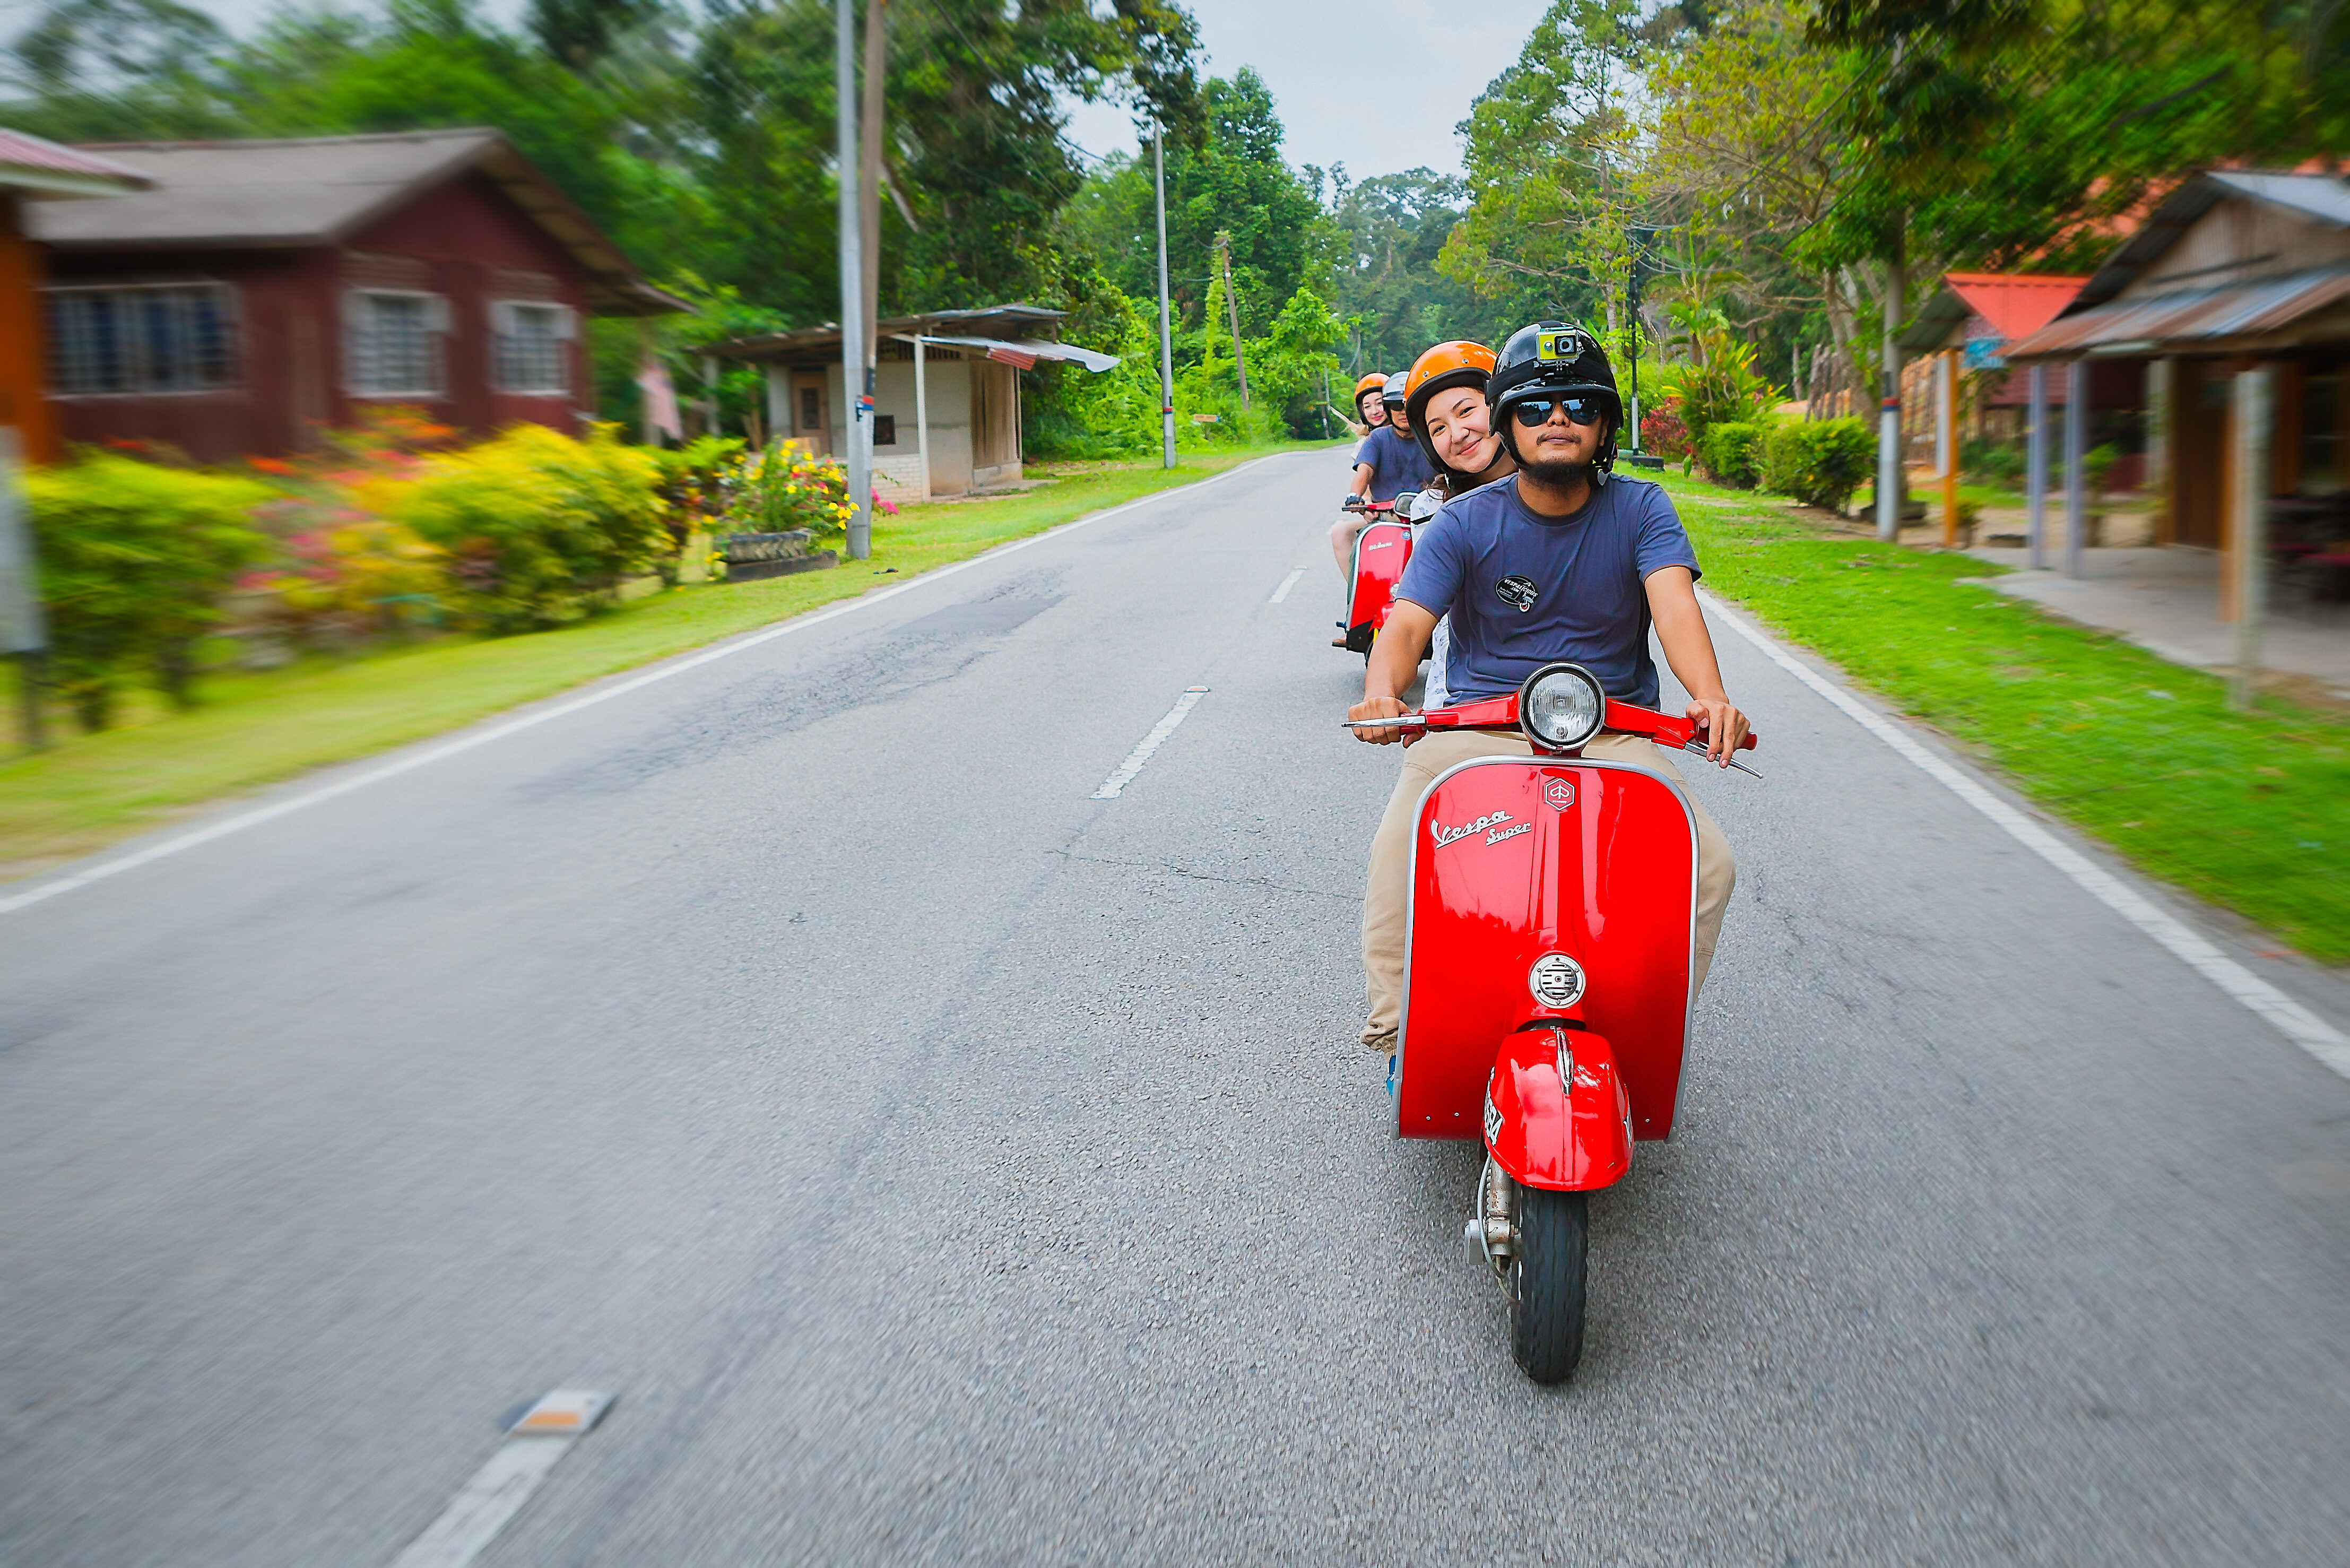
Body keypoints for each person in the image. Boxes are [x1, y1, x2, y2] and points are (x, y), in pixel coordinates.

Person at [1348, 322, 1745, 1067]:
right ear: (1508, 424)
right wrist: (1380, 693)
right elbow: (1405, 625)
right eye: (1533, 407)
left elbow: (1674, 606)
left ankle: (1644, 1027)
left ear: (1604, 427)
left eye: (1577, 404)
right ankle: (1401, 1029)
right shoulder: (1462, 521)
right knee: (1401, 846)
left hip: (1615, 727)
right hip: (1479, 726)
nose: (1556, 418)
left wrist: (1711, 697)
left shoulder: (1643, 508)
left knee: (1707, 865)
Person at [1397, 341, 1516, 706]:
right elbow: (1415, 621)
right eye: (1438, 429)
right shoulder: (1434, 509)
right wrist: (1382, 692)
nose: (1458, 433)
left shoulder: (1557, 484)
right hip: (1461, 692)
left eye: (1466, 411)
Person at [1331, 375, 1439, 644]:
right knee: (1343, 535)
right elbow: (1365, 470)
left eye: (1406, 405)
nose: (1401, 412)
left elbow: (1448, 468)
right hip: (1385, 519)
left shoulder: (1432, 436)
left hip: (1431, 518)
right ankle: (1358, 611)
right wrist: (1355, 496)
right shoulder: (1377, 439)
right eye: (1395, 407)